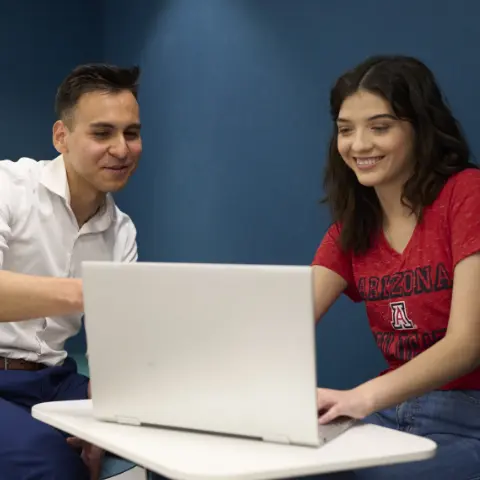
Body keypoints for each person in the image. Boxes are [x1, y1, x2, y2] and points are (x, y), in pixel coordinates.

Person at [310, 55, 480, 479]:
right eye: (345, 129)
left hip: (469, 417)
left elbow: (466, 345)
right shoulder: (354, 227)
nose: (359, 144)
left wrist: (361, 398)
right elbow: (282, 321)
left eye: (380, 127)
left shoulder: (467, 195)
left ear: (420, 129)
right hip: (392, 415)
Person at [0, 63, 142, 479]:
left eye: (131, 133)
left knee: (162, 427)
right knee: (53, 463)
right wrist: (89, 292)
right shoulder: (8, 188)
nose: (121, 149)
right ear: (61, 137)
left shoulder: (122, 231)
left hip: (56, 380)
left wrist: (108, 408)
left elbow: (115, 348)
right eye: (102, 133)